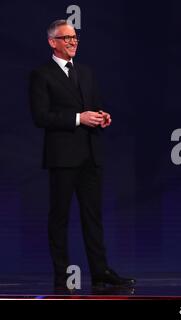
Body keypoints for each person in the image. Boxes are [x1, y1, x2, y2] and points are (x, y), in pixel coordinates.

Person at [29, 19, 135, 289]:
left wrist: (101, 117)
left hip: (90, 155)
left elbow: (93, 107)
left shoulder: (86, 72)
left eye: (75, 38)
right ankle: (62, 276)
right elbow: (41, 117)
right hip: (63, 158)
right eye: (67, 38)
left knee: (93, 217)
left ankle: (100, 272)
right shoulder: (41, 75)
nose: (73, 42)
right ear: (53, 42)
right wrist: (79, 118)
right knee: (60, 217)